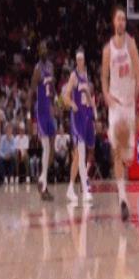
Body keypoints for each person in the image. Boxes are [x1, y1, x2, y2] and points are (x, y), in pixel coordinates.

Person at [101, 5, 139, 221]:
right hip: (116, 105)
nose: (121, 22)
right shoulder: (107, 50)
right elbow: (103, 77)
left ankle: (123, 191)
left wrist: (136, 93)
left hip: (129, 104)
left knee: (129, 158)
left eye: (124, 19)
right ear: (113, 22)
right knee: (117, 151)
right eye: (118, 19)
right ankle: (123, 199)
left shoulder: (131, 44)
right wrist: (106, 95)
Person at [64, 49, 95, 202]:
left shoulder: (86, 75)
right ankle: (85, 190)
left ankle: (70, 188)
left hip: (86, 117)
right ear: (76, 61)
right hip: (77, 118)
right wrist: (72, 104)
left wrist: (90, 102)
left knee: (78, 157)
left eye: (81, 59)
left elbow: (88, 98)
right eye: (77, 59)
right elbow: (65, 96)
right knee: (81, 154)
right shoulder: (73, 76)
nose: (79, 61)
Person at [28, 41, 56, 201]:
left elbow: (52, 88)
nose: (44, 51)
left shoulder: (51, 66)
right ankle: (43, 185)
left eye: (46, 48)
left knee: (51, 148)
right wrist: (29, 117)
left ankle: (41, 178)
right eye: (41, 49)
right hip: (40, 111)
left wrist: (56, 103)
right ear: (38, 52)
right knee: (46, 147)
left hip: (49, 110)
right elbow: (31, 92)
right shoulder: (37, 69)